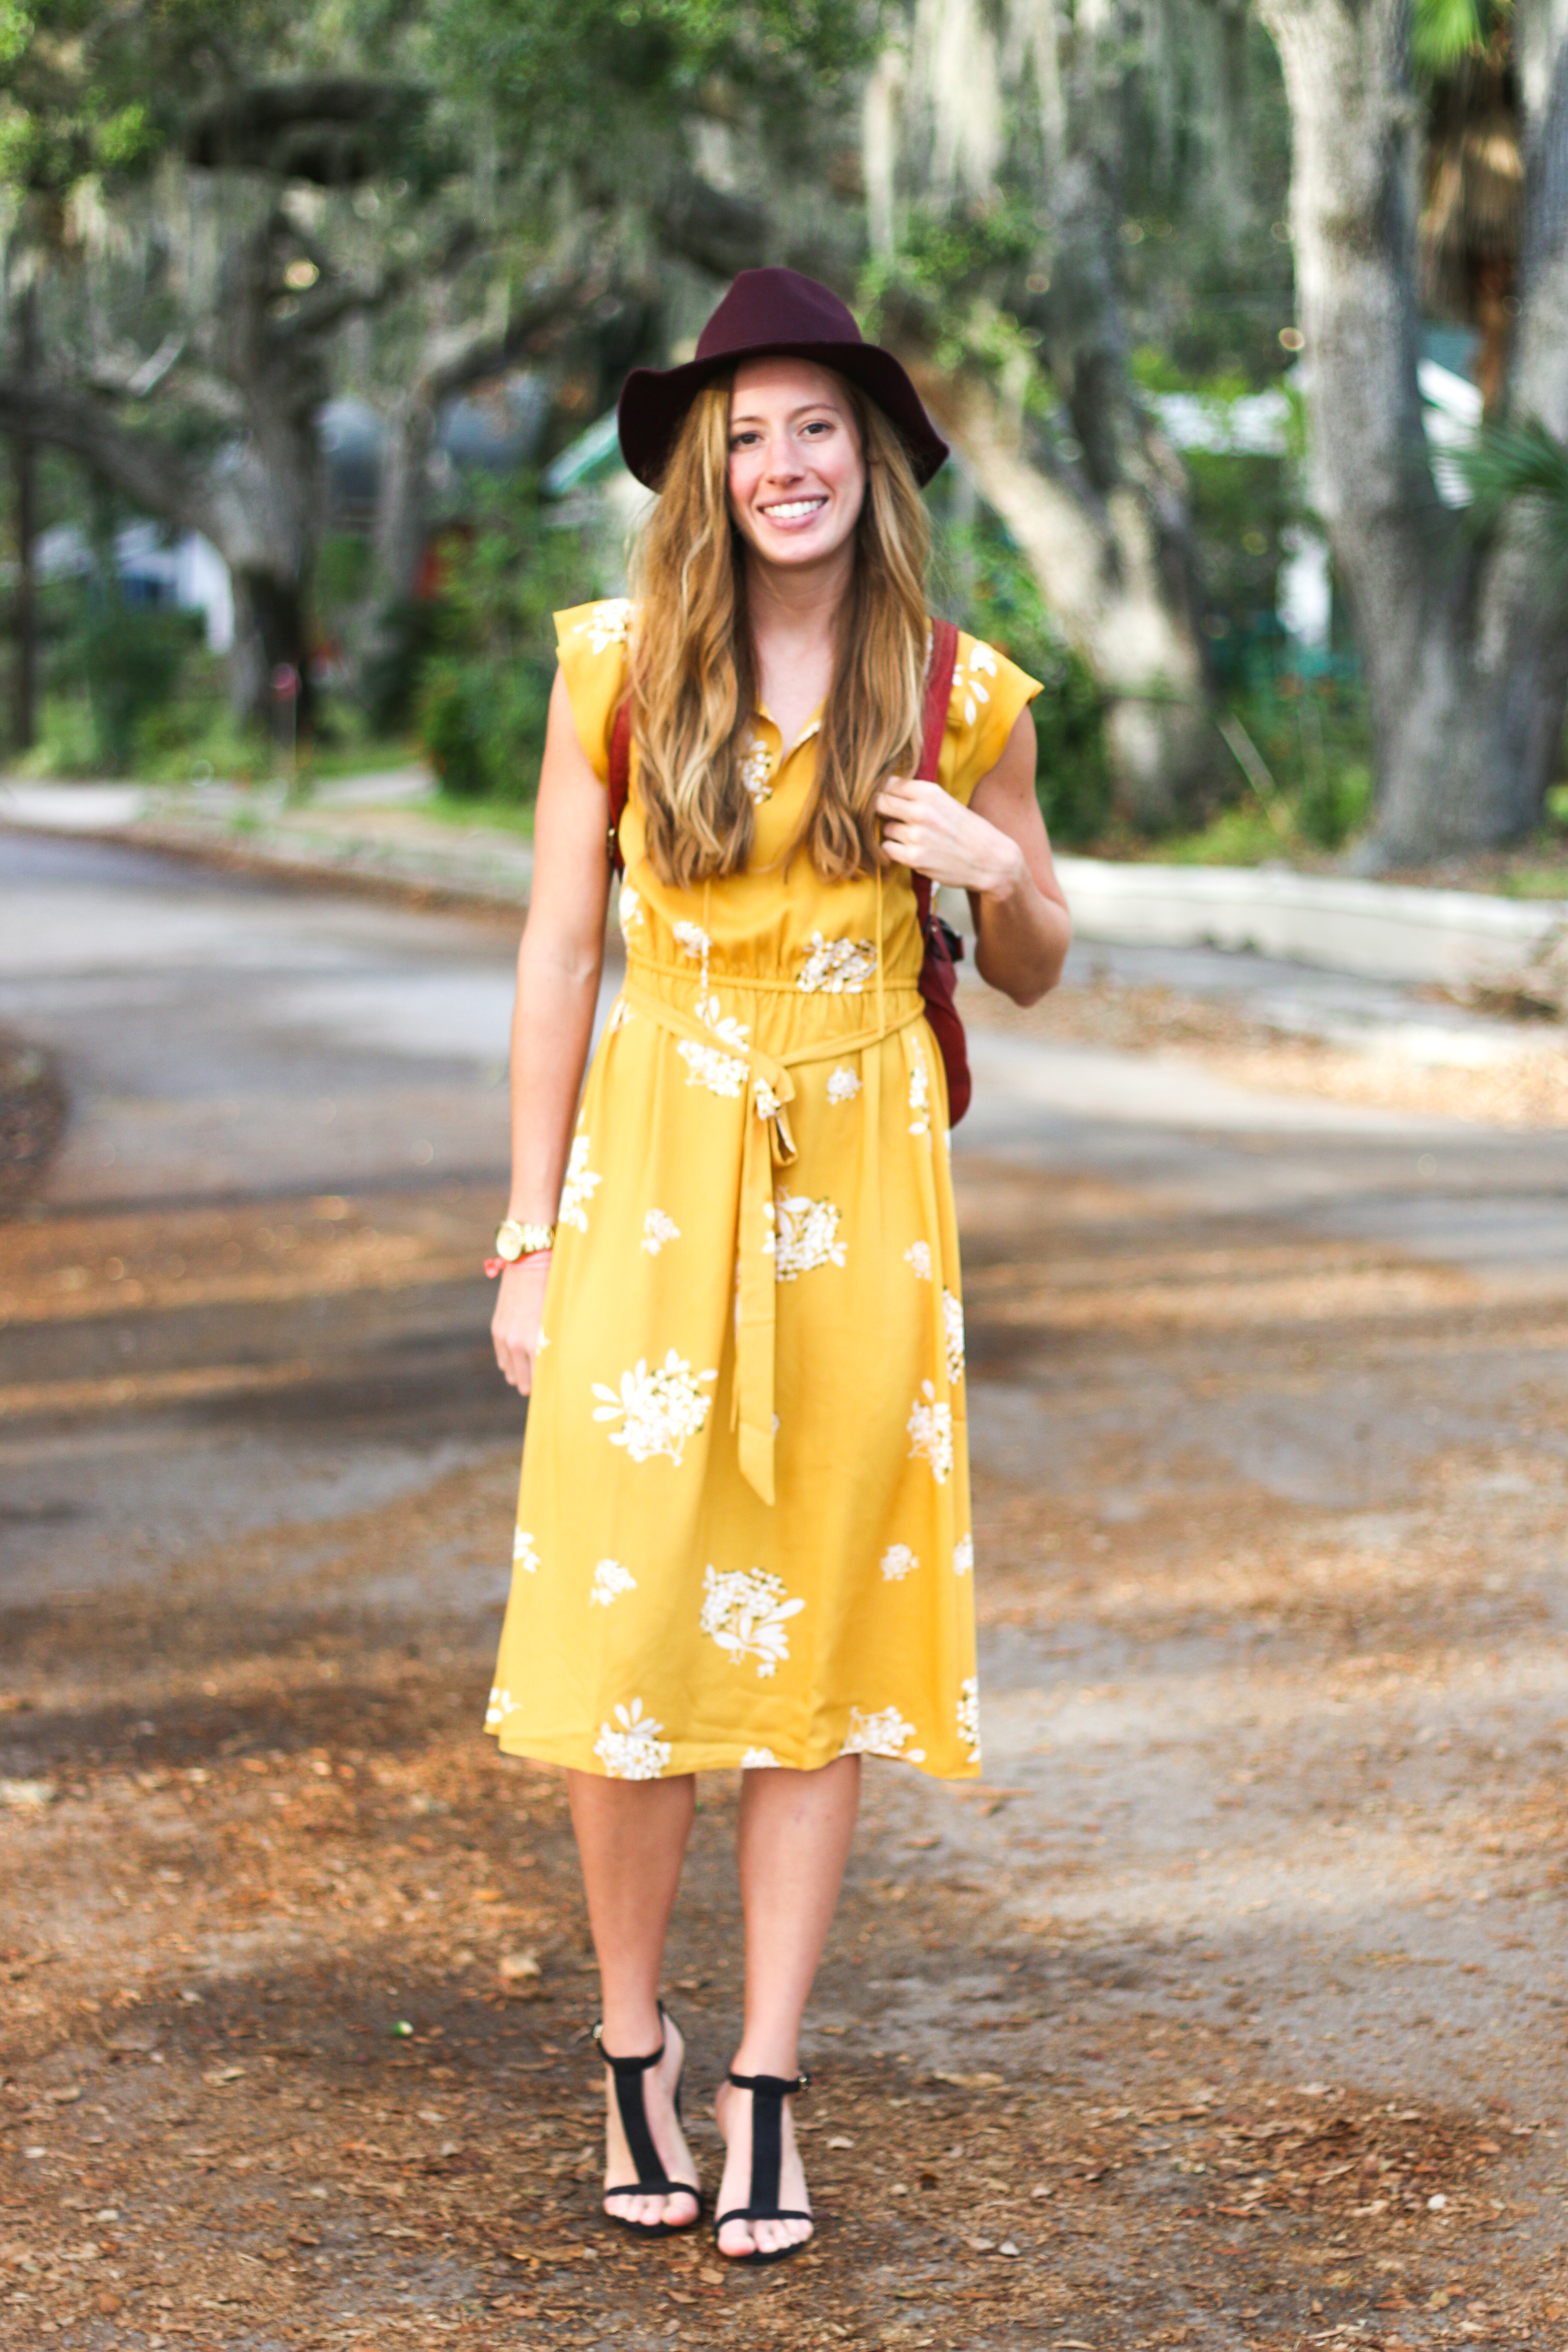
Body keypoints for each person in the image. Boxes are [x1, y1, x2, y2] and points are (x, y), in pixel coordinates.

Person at [485, 266, 1072, 2265]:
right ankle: (633, 2041)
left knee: (816, 1640)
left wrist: (1003, 883)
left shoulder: (958, 691)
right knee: (633, 1630)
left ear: (876, 457)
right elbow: (563, 954)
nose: (785, 463)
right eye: (748, 435)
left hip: (864, 1192)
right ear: (701, 474)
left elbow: (1045, 950)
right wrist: (526, 1233)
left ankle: (765, 2087)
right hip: (656, 1166)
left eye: (817, 426)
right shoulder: (619, 667)